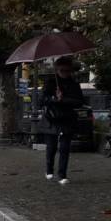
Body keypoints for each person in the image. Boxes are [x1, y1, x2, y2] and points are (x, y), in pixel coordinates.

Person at [40, 56, 85, 184]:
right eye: (62, 70)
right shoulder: (50, 83)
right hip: (52, 119)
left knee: (65, 148)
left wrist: (63, 100)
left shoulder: (74, 84)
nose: (65, 73)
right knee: (51, 147)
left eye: (67, 70)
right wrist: (54, 98)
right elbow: (41, 100)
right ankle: (49, 170)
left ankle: (62, 174)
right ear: (57, 70)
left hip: (66, 119)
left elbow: (79, 101)